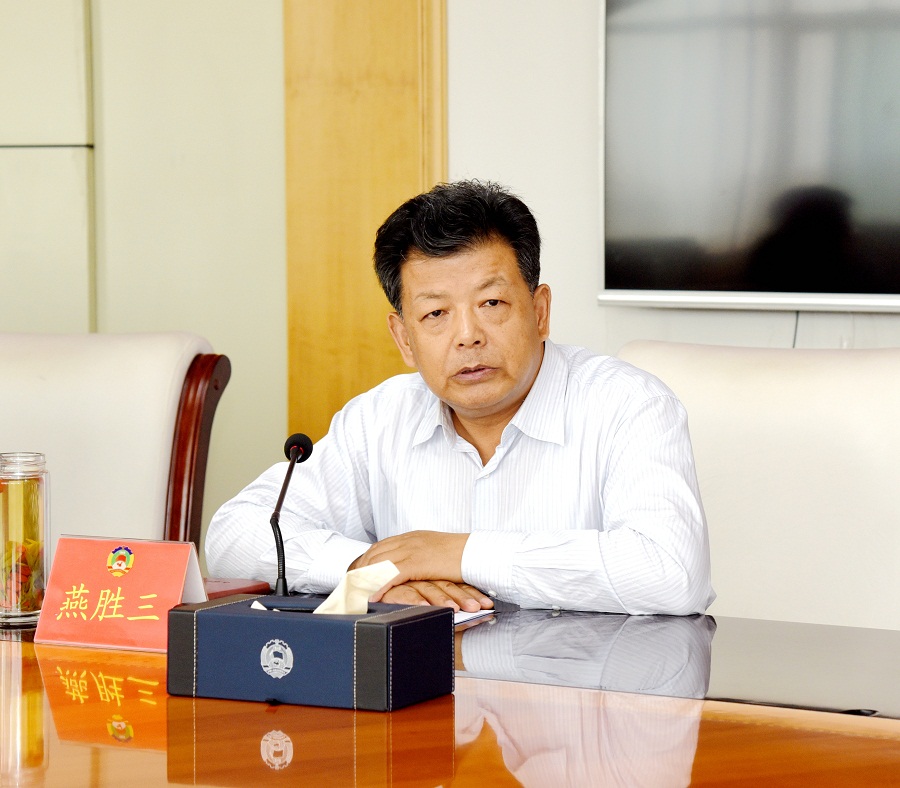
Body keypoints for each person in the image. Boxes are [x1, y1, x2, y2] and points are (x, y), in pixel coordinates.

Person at [206, 180, 714, 615]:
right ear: (404, 339)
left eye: (491, 302)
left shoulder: (628, 406)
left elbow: (670, 571)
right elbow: (233, 535)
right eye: (435, 314)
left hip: (584, 692)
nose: (467, 336)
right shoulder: (378, 419)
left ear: (540, 312)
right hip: (423, 691)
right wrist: (373, 571)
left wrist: (459, 554)